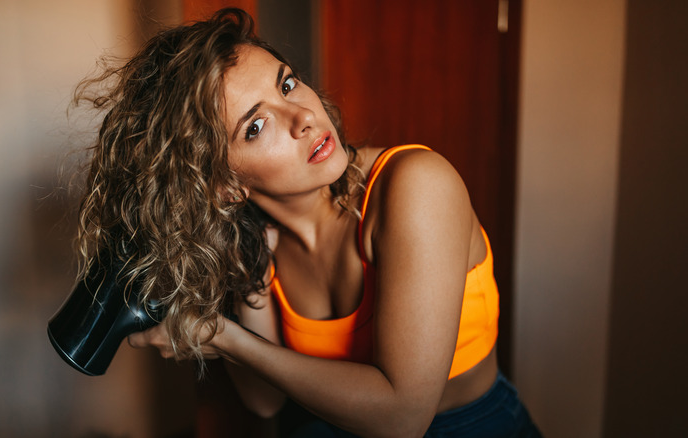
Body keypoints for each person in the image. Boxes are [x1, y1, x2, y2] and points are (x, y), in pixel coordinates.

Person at [74, 7, 541, 437]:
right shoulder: (257, 241)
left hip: (474, 426)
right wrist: (246, 281)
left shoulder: (415, 186)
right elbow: (263, 400)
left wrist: (225, 337)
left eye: (287, 83)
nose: (302, 116)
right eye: (256, 127)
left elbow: (404, 417)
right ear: (225, 187)